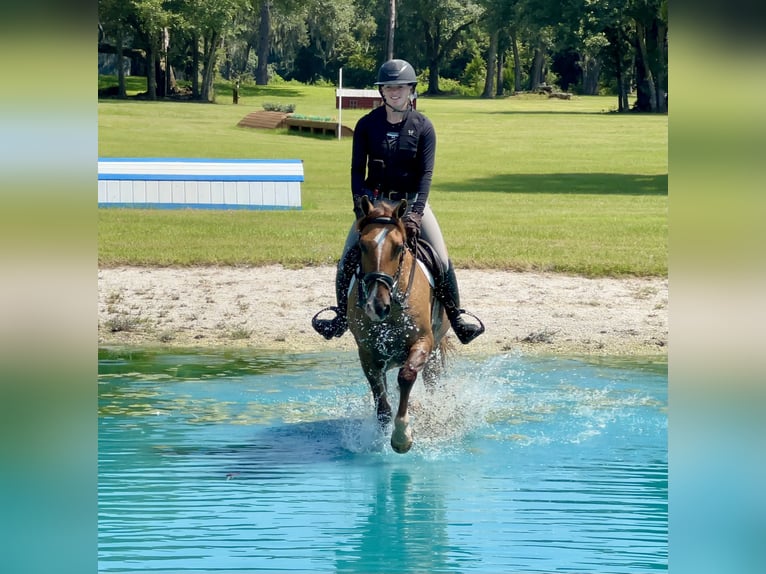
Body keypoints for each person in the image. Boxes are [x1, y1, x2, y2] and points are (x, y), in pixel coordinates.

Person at [312, 58, 484, 344]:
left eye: (401, 87)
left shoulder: (424, 126)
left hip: (412, 203)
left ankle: (456, 318)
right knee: (348, 259)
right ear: (382, 91)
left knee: (440, 258)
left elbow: (426, 174)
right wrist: (361, 205)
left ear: (410, 90)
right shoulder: (366, 125)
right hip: (375, 206)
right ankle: (341, 315)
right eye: (389, 87)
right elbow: (357, 170)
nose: (395, 92)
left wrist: (416, 214)